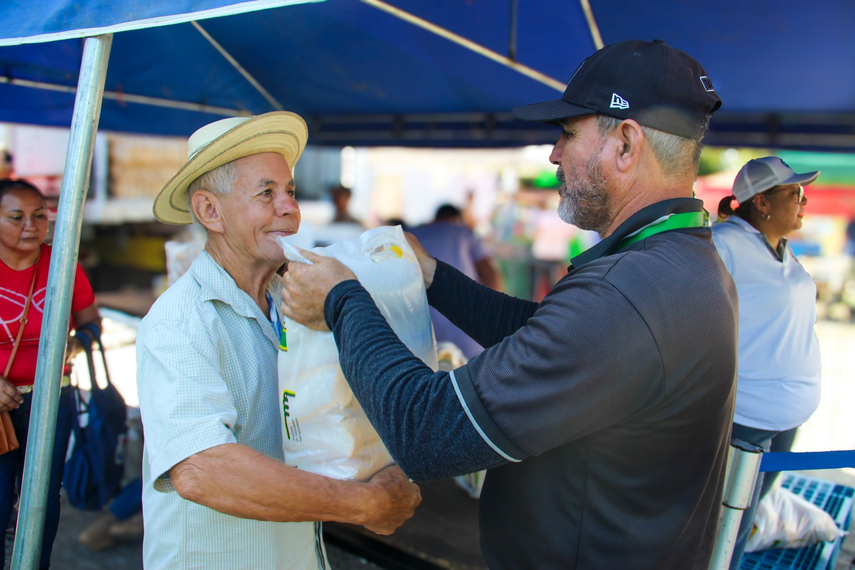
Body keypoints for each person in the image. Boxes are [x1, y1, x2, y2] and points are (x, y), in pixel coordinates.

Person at [281, 40, 738, 569]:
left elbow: (426, 432)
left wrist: (341, 299)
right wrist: (432, 277)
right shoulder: (678, 260)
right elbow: (544, 335)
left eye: (568, 134)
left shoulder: (627, 297)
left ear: (626, 145)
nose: (554, 154)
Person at [136, 111, 420, 570]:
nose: (289, 208)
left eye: (289, 191)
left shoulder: (294, 297)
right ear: (211, 211)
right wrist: (362, 504)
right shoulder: (180, 322)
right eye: (266, 193)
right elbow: (201, 469)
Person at [712, 156, 822, 568]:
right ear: (761, 202)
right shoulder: (724, 245)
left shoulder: (782, 250)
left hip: (784, 419)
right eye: (795, 193)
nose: (803, 201)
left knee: (743, 518)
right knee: (727, 528)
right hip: (747, 419)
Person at [0, 178, 101, 570]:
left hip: (51, 400)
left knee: (41, 496)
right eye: (16, 217)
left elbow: (91, 321)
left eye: (39, 216)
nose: (31, 225)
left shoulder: (62, 264)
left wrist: (77, 343)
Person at [409, 204, 503, 359]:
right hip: (465, 325)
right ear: (457, 219)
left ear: (436, 218)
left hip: (423, 326)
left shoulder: (415, 234)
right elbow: (491, 275)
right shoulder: (465, 233)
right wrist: (488, 315)